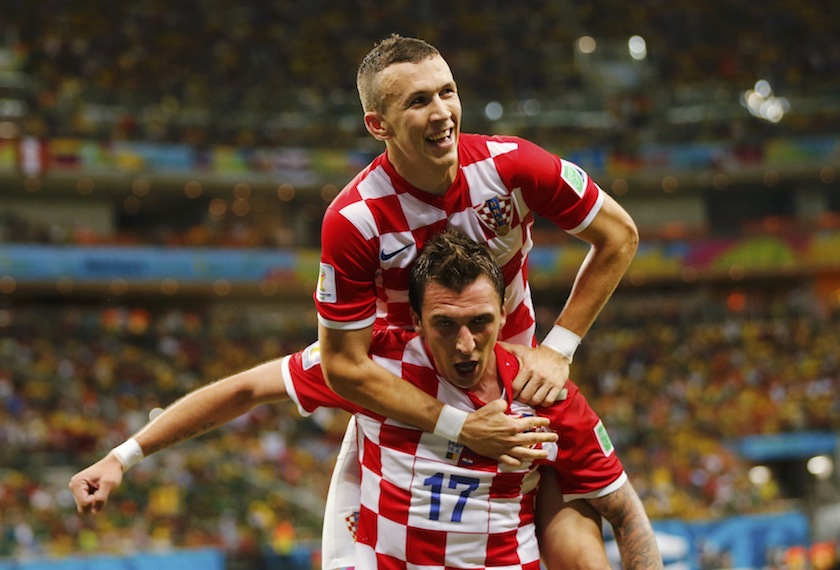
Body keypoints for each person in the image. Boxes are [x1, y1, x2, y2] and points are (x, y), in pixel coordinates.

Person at [69, 230, 661, 568]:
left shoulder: (545, 394)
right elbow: (245, 388)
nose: (464, 343)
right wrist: (122, 457)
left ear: (506, 312)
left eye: (480, 321)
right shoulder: (374, 365)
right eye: (443, 325)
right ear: (416, 320)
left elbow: (626, 513)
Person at [312, 34, 642, 569]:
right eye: (418, 101)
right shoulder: (354, 221)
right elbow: (342, 367)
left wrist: (559, 347)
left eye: (448, 92)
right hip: (411, 401)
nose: (442, 113)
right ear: (379, 125)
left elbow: (619, 235)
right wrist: (460, 427)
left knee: (578, 553)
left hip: (520, 386)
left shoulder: (513, 166)